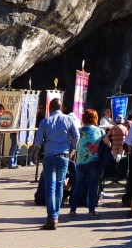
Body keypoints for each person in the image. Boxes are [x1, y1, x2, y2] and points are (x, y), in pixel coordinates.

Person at [34, 97, 80, 230]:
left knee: (50, 187)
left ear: (50, 107)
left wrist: (45, 144)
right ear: (61, 107)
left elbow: (37, 141)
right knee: (60, 185)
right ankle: (56, 215)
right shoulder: (69, 119)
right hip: (64, 155)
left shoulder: (45, 121)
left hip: (49, 155)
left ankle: (51, 217)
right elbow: (76, 135)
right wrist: (72, 148)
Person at [70, 108, 104, 218]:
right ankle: (91, 210)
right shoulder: (99, 130)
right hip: (93, 161)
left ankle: (73, 209)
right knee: (92, 186)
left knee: (78, 186)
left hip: (80, 161)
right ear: (95, 118)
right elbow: (107, 144)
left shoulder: (79, 130)